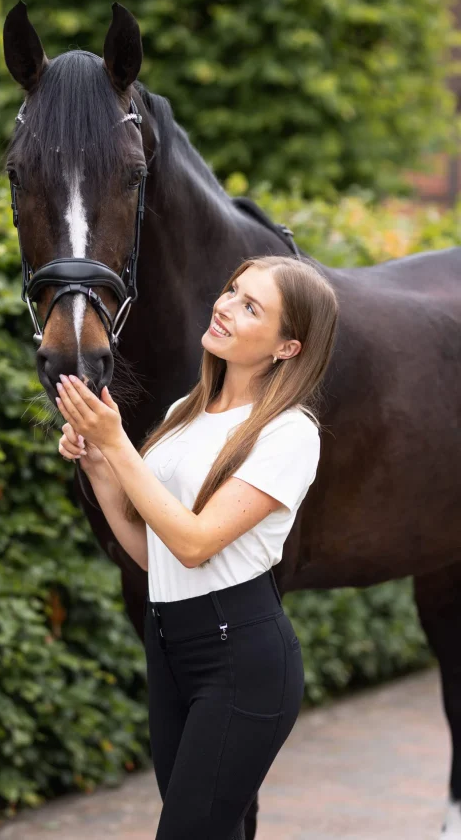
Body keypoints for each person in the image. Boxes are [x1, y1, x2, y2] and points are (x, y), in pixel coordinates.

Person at [55, 255, 339, 840]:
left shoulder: (289, 432)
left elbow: (193, 543)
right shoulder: (184, 412)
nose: (225, 305)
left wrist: (120, 446)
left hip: (241, 660)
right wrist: (102, 466)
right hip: (169, 647)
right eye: (232, 289)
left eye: (251, 306)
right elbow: (152, 553)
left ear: (287, 348)